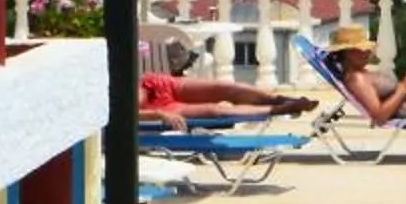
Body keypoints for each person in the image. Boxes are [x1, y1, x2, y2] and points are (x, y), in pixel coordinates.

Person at [134, 70, 316, 132]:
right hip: (156, 108)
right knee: (216, 111)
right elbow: (120, 113)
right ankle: (279, 109)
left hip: (154, 85)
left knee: (225, 88)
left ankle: (279, 99)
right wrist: (157, 114)